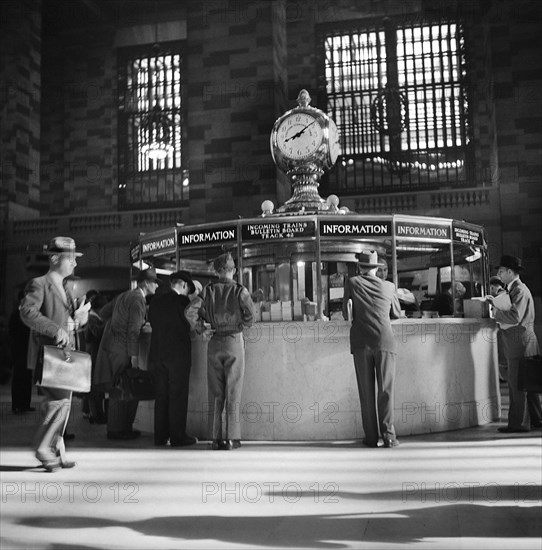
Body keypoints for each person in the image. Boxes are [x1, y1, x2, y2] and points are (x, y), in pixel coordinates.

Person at [19, 236, 88, 471]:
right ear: (56, 258)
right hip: (50, 354)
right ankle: (43, 447)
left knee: (64, 403)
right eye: (71, 259)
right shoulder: (39, 283)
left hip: (65, 354)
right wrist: (55, 328)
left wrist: (78, 319)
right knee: (59, 403)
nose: (75, 264)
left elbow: (66, 322)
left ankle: (57, 450)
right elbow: (27, 312)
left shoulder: (66, 287)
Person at [187, 252, 254, 450]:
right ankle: (232, 438)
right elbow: (251, 315)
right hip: (234, 341)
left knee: (215, 393)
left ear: (217, 271)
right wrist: (242, 324)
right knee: (233, 391)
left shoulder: (207, 291)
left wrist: (201, 328)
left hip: (214, 341)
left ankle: (215, 438)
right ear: (233, 271)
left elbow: (189, 312)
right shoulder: (240, 291)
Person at [343, 250, 402, 448]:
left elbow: (345, 313)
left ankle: (370, 438)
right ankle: (389, 437)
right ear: (377, 268)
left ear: (360, 268)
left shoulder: (352, 283)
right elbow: (396, 313)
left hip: (361, 343)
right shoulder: (390, 286)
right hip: (385, 342)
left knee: (366, 393)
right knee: (385, 390)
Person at [94, 269, 160, 440]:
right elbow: (133, 331)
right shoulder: (138, 300)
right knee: (121, 389)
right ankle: (117, 430)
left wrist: (115, 325)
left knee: (120, 388)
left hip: (113, 347)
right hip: (123, 349)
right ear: (145, 283)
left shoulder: (124, 295)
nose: (157, 285)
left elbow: (103, 313)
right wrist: (134, 356)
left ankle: (121, 427)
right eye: (154, 282)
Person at [487, 255, 542, 432]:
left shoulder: (518, 289)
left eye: (501, 271)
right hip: (525, 342)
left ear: (510, 272)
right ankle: (536, 419)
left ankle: (518, 424)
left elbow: (514, 316)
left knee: (517, 385)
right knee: (529, 384)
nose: (499, 274)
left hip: (519, 344)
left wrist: (494, 311)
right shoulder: (518, 289)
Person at [148, 271, 198, 447]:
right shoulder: (183, 302)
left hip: (156, 354)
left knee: (161, 396)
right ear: (184, 285)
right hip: (177, 356)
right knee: (177, 395)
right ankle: (178, 437)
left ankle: (160, 437)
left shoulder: (155, 302)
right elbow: (191, 324)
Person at [84, 293, 109, 424]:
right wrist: (107, 323)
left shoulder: (94, 318)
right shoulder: (92, 318)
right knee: (94, 389)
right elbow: (97, 334)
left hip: (94, 355)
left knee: (96, 388)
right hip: (92, 356)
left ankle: (98, 414)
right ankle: (95, 415)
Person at [9, 290, 34, 414]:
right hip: (19, 350)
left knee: (27, 376)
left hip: (28, 349)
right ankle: (17, 405)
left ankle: (25, 403)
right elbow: (13, 333)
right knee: (19, 376)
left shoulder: (28, 314)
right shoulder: (16, 314)